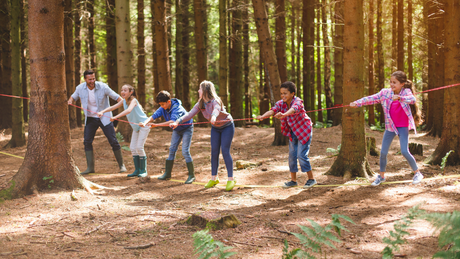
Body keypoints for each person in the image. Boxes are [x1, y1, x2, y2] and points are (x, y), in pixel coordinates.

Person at [350, 71, 424, 186]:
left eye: (395, 82)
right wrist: (357, 103)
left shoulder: (406, 92)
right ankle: (381, 176)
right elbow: (371, 98)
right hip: (390, 127)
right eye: (391, 82)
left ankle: (417, 173)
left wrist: (400, 98)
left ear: (402, 84)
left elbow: (412, 100)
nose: (392, 84)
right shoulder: (385, 93)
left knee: (404, 151)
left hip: (402, 126)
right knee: (383, 152)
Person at [170, 81, 236, 191]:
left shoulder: (216, 101)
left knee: (225, 151)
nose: (198, 91)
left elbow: (216, 109)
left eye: (199, 89)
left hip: (227, 126)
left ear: (205, 90)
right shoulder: (201, 103)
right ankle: (214, 178)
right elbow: (189, 114)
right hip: (216, 128)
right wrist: (178, 121)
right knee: (214, 152)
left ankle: (231, 179)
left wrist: (214, 117)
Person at [256, 81, 317, 188]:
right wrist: (263, 116)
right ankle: (293, 181)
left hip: (304, 131)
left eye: (285, 93)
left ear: (292, 93)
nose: (283, 96)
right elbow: (273, 110)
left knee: (301, 155)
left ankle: (311, 179)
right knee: (292, 157)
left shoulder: (298, 101)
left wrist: (284, 114)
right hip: (293, 132)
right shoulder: (280, 103)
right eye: (281, 93)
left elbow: (294, 109)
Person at [68, 70, 126, 175]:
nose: (92, 81)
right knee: (87, 141)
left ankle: (122, 165)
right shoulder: (80, 88)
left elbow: (118, 98)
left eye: (93, 78)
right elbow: (73, 97)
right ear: (85, 79)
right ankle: (90, 168)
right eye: (90, 79)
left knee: (113, 140)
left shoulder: (103, 87)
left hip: (105, 117)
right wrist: (70, 101)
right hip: (90, 118)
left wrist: (124, 105)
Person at [139, 91, 195, 183]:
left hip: (186, 128)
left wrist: (156, 125)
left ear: (169, 102)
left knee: (185, 151)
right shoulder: (163, 108)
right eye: (160, 104)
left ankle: (191, 175)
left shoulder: (177, 108)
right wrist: (145, 123)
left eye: (163, 104)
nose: (161, 106)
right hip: (177, 130)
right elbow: (153, 116)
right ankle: (167, 173)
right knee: (172, 149)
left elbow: (171, 122)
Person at [97, 84, 150, 177]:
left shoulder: (134, 101)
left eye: (125, 90)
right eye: (122, 90)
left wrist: (116, 117)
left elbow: (129, 110)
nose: (123, 92)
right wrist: (102, 112)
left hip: (144, 125)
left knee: (139, 147)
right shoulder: (123, 101)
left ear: (131, 92)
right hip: (136, 127)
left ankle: (143, 171)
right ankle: (137, 170)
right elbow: (112, 107)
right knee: (133, 148)